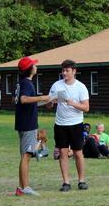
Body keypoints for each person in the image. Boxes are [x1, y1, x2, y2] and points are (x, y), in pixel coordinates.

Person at [47, 59, 90, 192]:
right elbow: (49, 106)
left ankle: (81, 180)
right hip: (60, 124)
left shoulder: (81, 87)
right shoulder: (56, 85)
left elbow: (86, 107)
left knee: (78, 153)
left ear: (74, 71)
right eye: (63, 70)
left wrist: (73, 103)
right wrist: (51, 102)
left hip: (76, 124)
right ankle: (66, 182)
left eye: (67, 70)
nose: (64, 73)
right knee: (63, 153)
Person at [14, 56, 51, 196]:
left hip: (24, 123)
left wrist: (43, 102)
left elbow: (19, 100)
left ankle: (21, 187)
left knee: (25, 155)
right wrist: (42, 97)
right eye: (34, 65)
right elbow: (23, 99)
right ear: (29, 69)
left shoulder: (21, 83)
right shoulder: (26, 84)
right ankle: (26, 188)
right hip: (27, 124)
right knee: (26, 156)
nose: (36, 66)